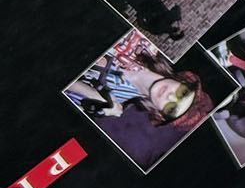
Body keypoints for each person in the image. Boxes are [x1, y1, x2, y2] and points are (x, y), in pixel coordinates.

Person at [66, 42, 203, 127]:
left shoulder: (111, 102)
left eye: (171, 109)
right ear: (182, 81)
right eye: (183, 93)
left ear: (159, 114)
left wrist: (94, 95)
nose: (171, 97)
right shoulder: (149, 44)